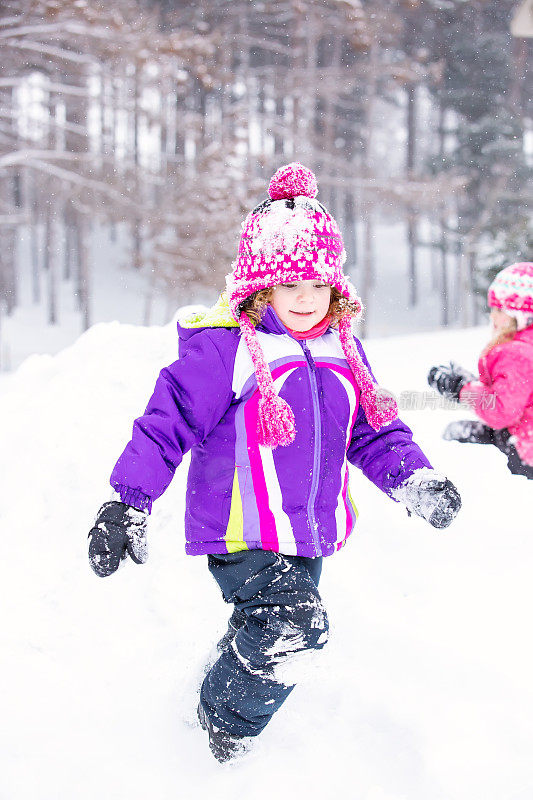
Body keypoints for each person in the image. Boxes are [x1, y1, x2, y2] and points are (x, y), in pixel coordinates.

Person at [88, 163, 461, 763]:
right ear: (260, 290)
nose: (308, 299)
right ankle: (219, 740)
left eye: (319, 285)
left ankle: (200, 705)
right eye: (291, 287)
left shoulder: (345, 350)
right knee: (294, 630)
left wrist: (414, 477)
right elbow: (167, 422)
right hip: (240, 528)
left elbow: (373, 430)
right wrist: (126, 502)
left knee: (270, 632)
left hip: (306, 534)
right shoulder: (227, 350)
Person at [427, 261, 533, 479]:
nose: (492, 317)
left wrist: (462, 389)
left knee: (461, 447)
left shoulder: (517, 353)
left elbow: (501, 411)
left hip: (525, 453)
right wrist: (475, 385)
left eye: (499, 310)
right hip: (521, 434)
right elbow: (515, 396)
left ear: (520, 315)